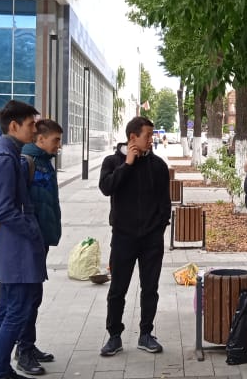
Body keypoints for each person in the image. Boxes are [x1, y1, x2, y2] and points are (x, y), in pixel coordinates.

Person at [98, 116, 171, 357]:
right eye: (147, 135)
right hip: (123, 238)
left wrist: (158, 228)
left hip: (151, 239)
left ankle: (146, 333)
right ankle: (114, 336)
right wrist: (127, 165)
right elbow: (107, 187)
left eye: (152, 135)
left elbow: (165, 203)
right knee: (117, 289)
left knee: (150, 288)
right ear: (132, 137)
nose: (151, 140)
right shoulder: (112, 162)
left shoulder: (158, 166)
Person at [0, 100, 46, 379]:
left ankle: (0, 369)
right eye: (31, 125)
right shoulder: (4, 158)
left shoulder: (8, 154)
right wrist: (31, 230)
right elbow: (1, 208)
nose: (34, 130)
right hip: (16, 246)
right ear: (13, 126)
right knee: (16, 311)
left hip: (13, 245)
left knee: (7, 309)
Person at [13, 119, 64, 374]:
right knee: (27, 297)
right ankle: (23, 351)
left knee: (35, 295)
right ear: (40, 139)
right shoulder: (26, 162)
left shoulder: (44, 162)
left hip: (40, 239)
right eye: (56, 140)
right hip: (28, 242)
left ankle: (28, 345)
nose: (59, 145)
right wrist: (31, 232)